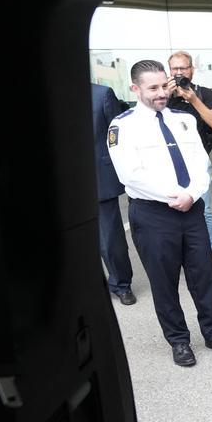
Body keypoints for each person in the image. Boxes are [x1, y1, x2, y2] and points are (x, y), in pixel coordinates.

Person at [108, 60, 212, 367]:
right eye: (152, 88)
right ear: (135, 89)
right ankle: (178, 340)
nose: (160, 93)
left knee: (203, 276)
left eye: (163, 85)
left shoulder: (184, 119)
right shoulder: (122, 126)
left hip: (191, 208)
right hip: (154, 214)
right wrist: (173, 196)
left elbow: (200, 163)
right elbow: (130, 174)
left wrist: (191, 194)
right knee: (163, 282)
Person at [166, 51, 212, 252]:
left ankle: (208, 253)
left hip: (198, 160)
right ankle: (180, 253)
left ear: (192, 70)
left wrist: (193, 100)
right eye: (175, 69)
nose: (179, 72)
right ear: (169, 71)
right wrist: (166, 94)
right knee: (170, 210)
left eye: (183, 68)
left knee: (204, 210)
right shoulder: (163, 93)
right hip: (168, 162)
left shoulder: (204, 93)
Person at [91, 82, 135, 305]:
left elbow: (119, 137)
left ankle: (121, 284)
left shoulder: (102, 94)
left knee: (109, 239)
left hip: (98, 178)